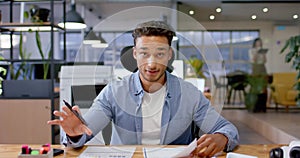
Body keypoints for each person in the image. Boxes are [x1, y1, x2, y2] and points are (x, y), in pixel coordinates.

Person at [48, 20, 239, 157]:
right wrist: (74, 133)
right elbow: (83, 135)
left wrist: (222, 137)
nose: (151, 63)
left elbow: (227, 129)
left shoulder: (189, 94)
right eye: (144, 53)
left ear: (169, 54)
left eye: (160, 53)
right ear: (135, 53)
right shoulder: (114, 92)